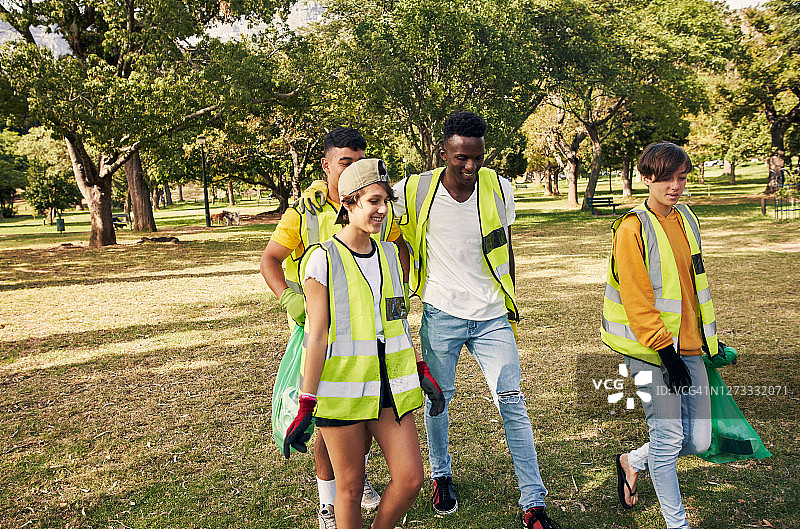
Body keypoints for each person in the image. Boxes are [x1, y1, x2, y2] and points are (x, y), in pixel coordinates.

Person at [392, 111, 561, 529]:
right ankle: (441, 474)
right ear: (443, 151)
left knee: (512, 403)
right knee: (438, 399)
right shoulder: (415, 189)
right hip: (442, 313)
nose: (469, 166)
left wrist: (509, 302)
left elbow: (507, 247)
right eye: (460, 157)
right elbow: (366, 200)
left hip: (491, 318)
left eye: (477, 158)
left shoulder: (500, 188)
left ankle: (533, 502)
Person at [283, 158, 445, 529]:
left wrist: (420, 369)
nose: (382, 210)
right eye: (373, 201)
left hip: (391, 390)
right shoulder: (321, 259)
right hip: (342, 392)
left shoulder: (390, 255)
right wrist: (306, 403)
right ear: (349, 202)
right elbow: (317, 334)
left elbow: (396, 322)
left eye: (386, 201)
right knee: (350, 488)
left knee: (410, 479)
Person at [260, 128, 409, 528]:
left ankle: (352, 486)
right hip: (322, 337)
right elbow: (271, 260)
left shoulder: (380, 219)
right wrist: (291, 299)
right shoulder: (306, 212)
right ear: (328, 167)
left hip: (377, 352)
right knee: (337, 453)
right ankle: (329, 502)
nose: (354, 167)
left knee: (381, 465)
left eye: (359, 159)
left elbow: (396, 259)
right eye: (345, 161)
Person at [601, 142, 722, 528]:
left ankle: (632, 461)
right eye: (666, 177)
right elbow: (637, 299)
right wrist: (665, 353)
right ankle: (678, 523)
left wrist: (706, 342)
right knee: (668, 441)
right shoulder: (632, 228)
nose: (675, 186)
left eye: (681, 178)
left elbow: (693, 284)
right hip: (650, 351)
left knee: (699, 440)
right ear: (646, 178)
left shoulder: (686, 218)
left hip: (689, 347)